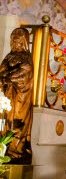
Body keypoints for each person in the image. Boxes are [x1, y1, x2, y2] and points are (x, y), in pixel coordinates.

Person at [0, 27, 33, 164]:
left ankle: (16, 150)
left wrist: (8, 78)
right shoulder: (9, 56)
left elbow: (23, 74)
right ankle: (4, 149)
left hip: (20, 96)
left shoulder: (26, 58)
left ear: (24, 40)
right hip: (7, 94)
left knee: (17, 121)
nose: (15, 39)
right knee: (5, 122)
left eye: (19, 36)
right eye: (13, 36)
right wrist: (5, 78)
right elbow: (1, 72)